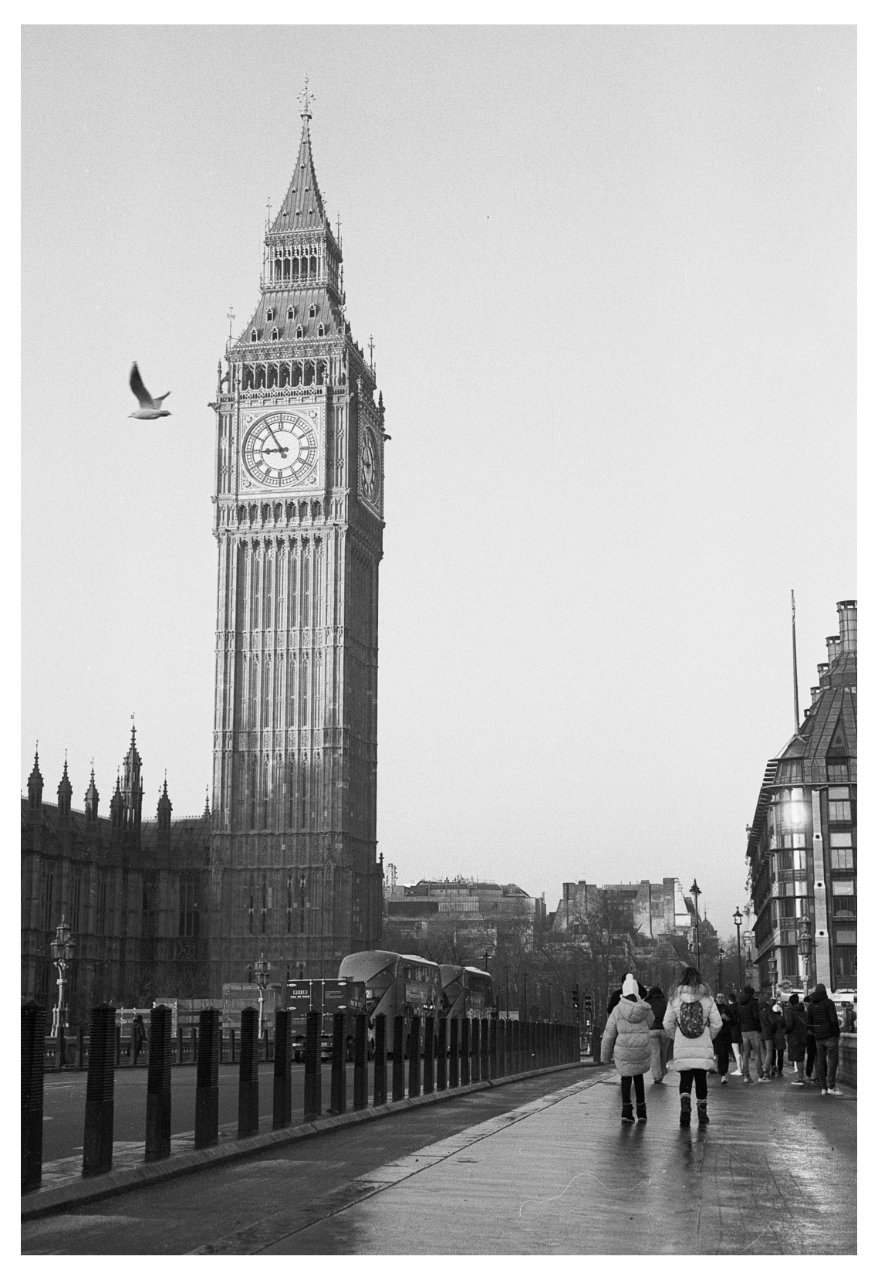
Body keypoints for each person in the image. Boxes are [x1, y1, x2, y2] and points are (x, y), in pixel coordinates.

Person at [664, 967, 722, 1126]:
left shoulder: (675, 999)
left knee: (685, 1078)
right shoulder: (707, 999)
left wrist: (675, 1036)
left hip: (682, 1043)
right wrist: (708, 1036)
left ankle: (685, 1108)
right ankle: (702, 1114)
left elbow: (667, 1023)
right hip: (702, 1043)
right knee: (701, 1078)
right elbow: (717, 1023)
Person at [600, 973, 655, 1123]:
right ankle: (642, 1110)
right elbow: (651, 1021)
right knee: (638, 1078)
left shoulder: (617, 1010)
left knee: (625, 1079)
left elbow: (609, 1033)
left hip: (623, 1049)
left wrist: (605, 1056)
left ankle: (626, 1110)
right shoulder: (644, 1009)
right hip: (640, 1048)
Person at [807, 983, 843, 1096]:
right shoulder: (828, 1003)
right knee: (833, 1061)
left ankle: (823, 1087)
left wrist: (816, 1033)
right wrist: (837, 1033)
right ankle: (831, 1086)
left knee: (820, 1061)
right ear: (824, 992)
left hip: (818, 1038)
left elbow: (809, 1023)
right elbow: (833, 1020)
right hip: (830, 1036)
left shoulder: (811, 1006)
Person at [737, 985, 764, 1084]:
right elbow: (756, 1017)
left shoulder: (740, 1003)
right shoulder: (753, 1003)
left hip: (744, 1030)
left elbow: (738, 1017)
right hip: (753, 1029)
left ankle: (746, 1076)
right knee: (757, 1053)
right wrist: (759, 1028)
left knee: (745, 1053)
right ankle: (760, 1075)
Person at [645, 984, 670, 1083]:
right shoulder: (666, 1003)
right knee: (664, 1053)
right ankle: (663, 1072)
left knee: (655, 1054)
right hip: (665, 1030)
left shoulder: (647, 1003)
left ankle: (656, 1076)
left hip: (652, 1030)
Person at [783, 993, 808, 1085]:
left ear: (790, 1002)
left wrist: (785, 1032)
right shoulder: (803, 1011)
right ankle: (802, 1076)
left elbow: (789, 1025)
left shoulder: (790, 1011)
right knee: (800, 1057)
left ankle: (800, 1078)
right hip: (803, 1036)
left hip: (794, 1036)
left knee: (797, 1057)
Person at [759, 990, 782, 1078]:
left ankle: (763, 1067)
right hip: (768, 1032)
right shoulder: (768, 1008)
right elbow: (773, 1021)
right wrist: (773, 1029)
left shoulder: (757, 1008)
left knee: (763, 1051)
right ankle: (766, 1068)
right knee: (769, 1051)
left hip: (760, 1032)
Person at [713, 993, 733, 1083]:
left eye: (721, 997)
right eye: (718, 997)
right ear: (716, 998)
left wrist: (726, 1018)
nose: (720, 999)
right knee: (719, 1053)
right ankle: (721, 1072)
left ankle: (723, 1072)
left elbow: (733, 1020)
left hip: (725, 1034)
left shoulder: (727, 1008)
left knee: (724, 1053)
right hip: (716, 1033)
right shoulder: (713, 1008)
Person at [726, 992, 743, 1074]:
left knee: (736, 1052)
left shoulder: (729, 1009)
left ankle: (739, 1069)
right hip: (740, 1031)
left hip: (733, 1032)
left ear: (729, 1000)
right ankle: (742, 1067)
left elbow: (731, 1021)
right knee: (741, 1052)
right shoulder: (739, 1007)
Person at [803, 994, 816, 1082]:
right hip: (816, 1036)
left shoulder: (809, 1012)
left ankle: (809, 1075)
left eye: (806, 1004)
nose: (805, 1006)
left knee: (811, 1057)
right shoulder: (814, 1010)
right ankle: (818, 1075)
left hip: (812, 1036)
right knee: (817, 1057)